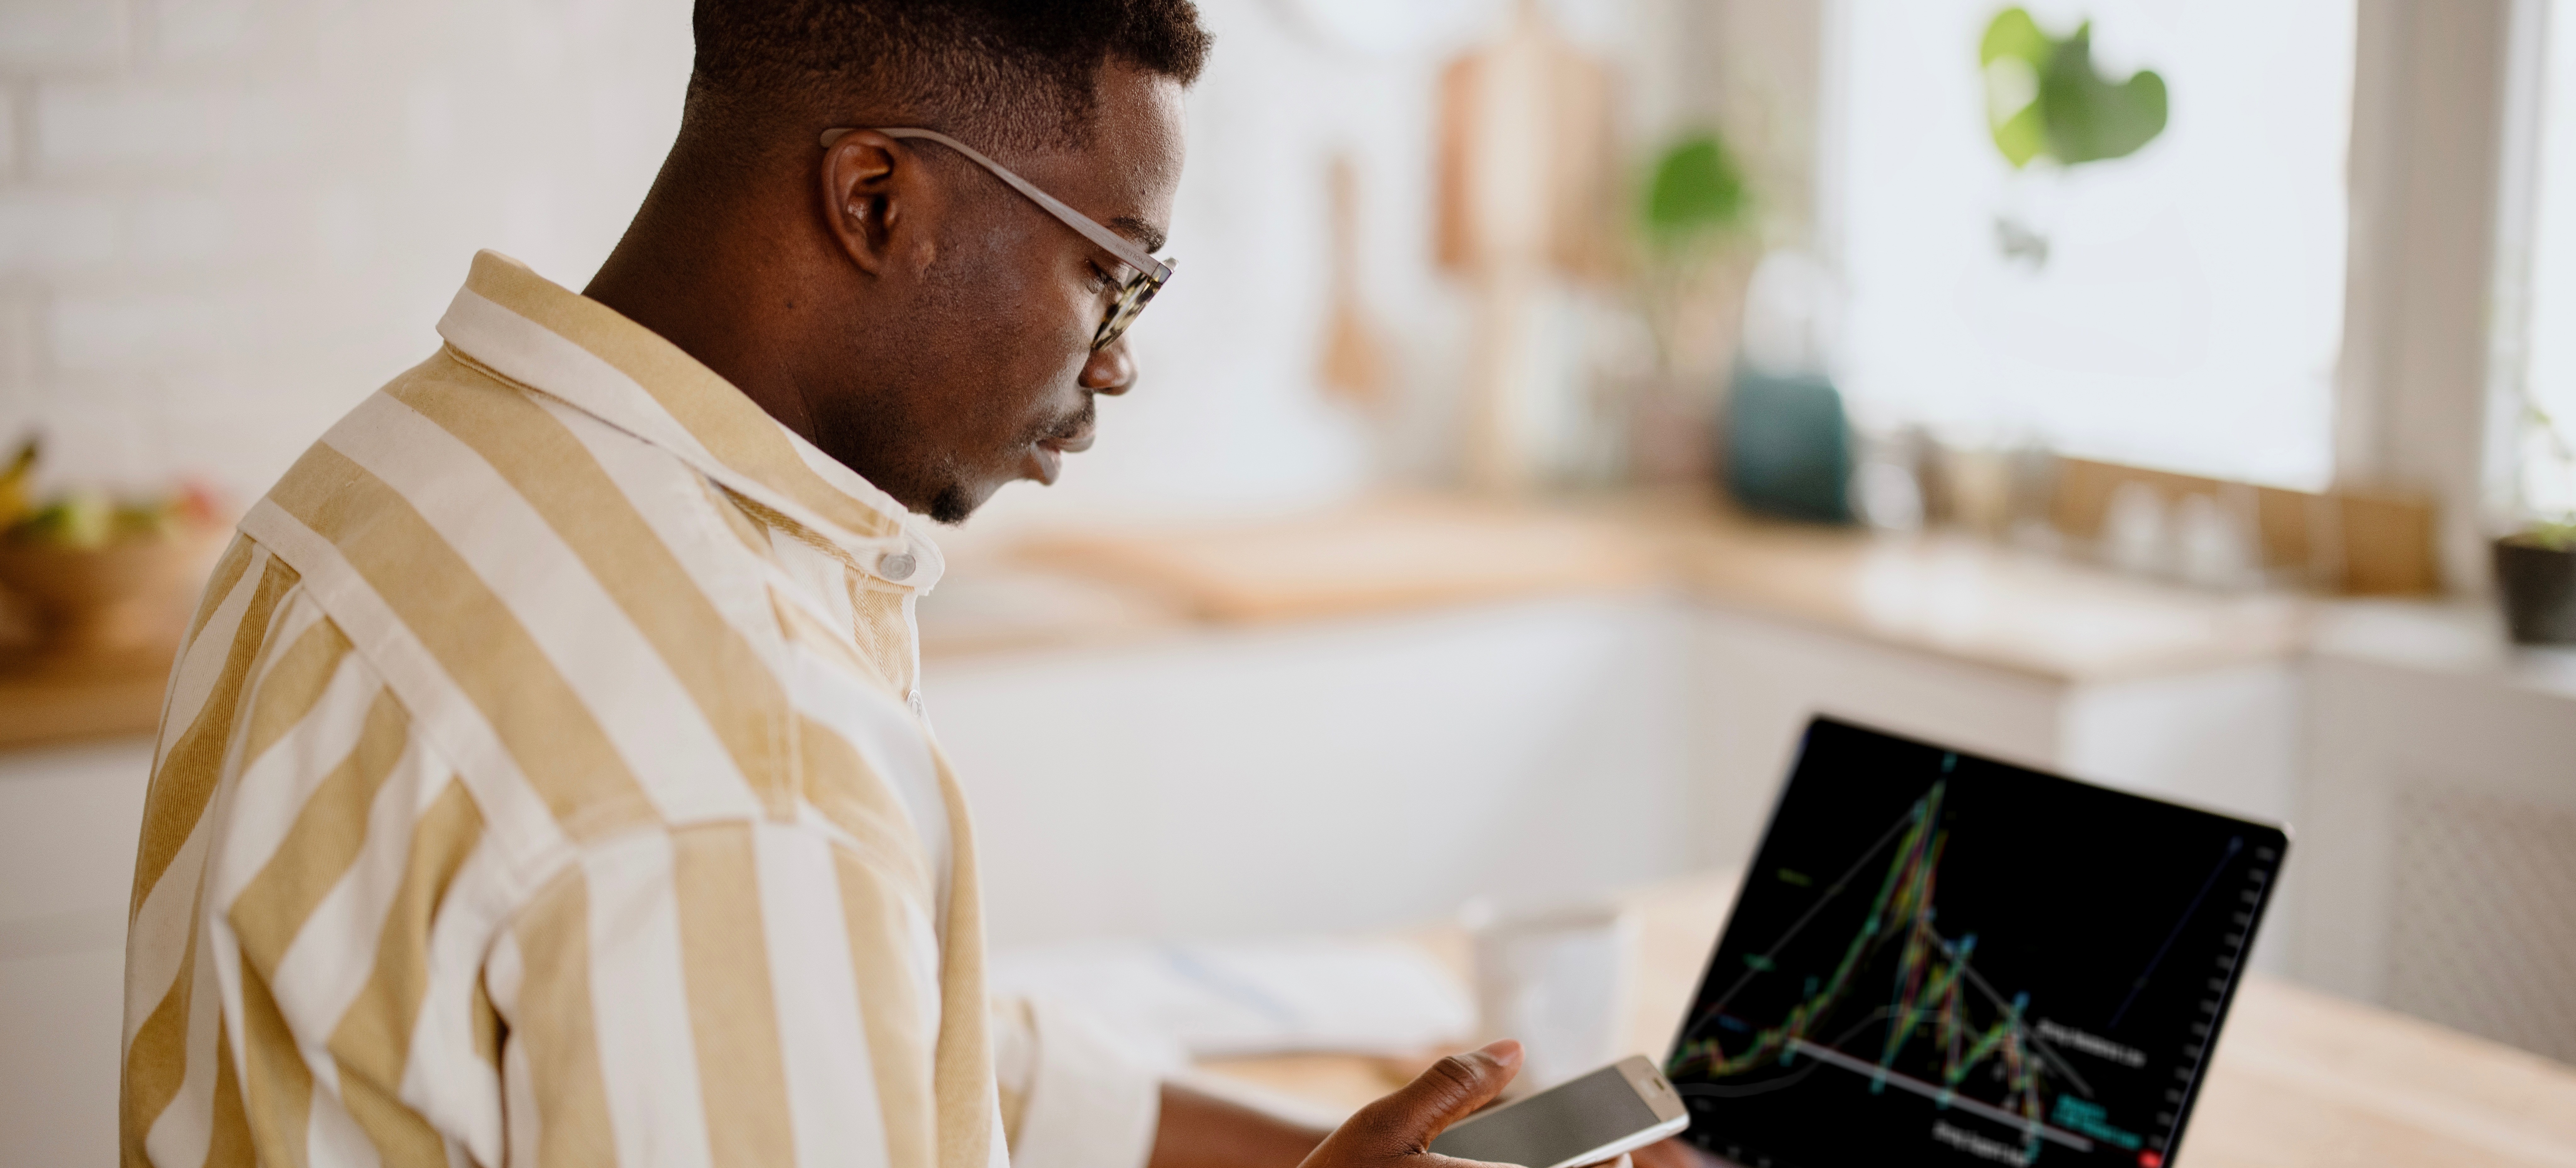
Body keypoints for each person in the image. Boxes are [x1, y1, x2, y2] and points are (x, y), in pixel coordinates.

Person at [119, 1, 1709, 1165]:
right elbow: (750, 903)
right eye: (1111, 267)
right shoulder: (736, 769)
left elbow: (892, 1039)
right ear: (876, 198)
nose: (1122, 360)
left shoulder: (385, 477)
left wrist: (1312, 1145)